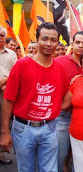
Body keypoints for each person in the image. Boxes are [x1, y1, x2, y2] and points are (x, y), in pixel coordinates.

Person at [0, 22, 69, 172]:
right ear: (37, 40)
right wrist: (5, 132)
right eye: (45, 39)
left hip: (50, 128)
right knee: (26, 169)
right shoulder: (22, 65)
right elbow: (8, 98)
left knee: (49, 170)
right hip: (23, 129)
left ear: (58, 42)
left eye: (53, 40)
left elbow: (66, 96)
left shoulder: (59, 69)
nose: (49, 43)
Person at [55, 31, 83, 172]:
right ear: (72, 44)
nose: (80, 46)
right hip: (62, 115)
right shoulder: (59, 62)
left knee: (79, 155)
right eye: (78, 42)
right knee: (60, 153)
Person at [0, 26, 17, 165]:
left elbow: (16, 72)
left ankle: (1, 155)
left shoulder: (11, 54)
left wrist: (5, 79)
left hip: (4, 94)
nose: (0, 37)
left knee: (2, 123)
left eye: (1, 35)